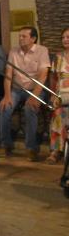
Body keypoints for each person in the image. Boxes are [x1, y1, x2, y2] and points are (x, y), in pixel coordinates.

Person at [0, 26, 51, 161]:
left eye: (23, 36)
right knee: (5, 107)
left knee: (30, 108)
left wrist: (34, 96)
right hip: (16, 89)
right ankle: (6, 144)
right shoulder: (14, 51)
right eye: (19, 36)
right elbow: (8, 74)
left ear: (33, 38)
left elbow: (43, 75)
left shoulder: (42, 50)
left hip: (35, 89)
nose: (20, 39)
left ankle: (31, 148)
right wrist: (7, 95)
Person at [46, 27, 69, 164]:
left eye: (68, 37)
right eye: (63, 37)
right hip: (61, 93)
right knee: (57, 115)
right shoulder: (58, 57)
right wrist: (53, 94)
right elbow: (53, 77)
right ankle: (55, 151)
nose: (65, 40)